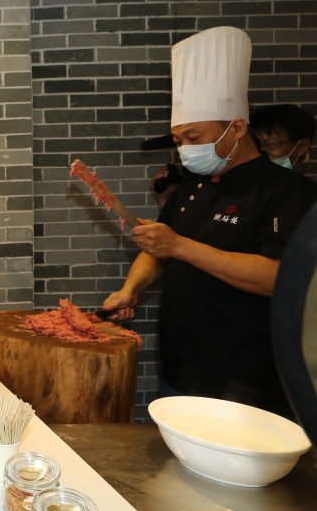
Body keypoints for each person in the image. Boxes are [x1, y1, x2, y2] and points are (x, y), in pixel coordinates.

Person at [102, 26, 317, 415]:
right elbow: (158, 248)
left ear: (237, 128)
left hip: (248, 381)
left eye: (194, 136)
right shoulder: (194, 187)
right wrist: (131, 288)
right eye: (179, 139)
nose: (186, 149)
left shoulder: (287, 191)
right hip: (181, 370)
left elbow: (278, 278)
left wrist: (179, 246)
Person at [251, 104, 315, 172]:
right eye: (256, 143)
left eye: (272, 143)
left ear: (302, 146)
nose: (261, 150)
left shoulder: (304, 183)